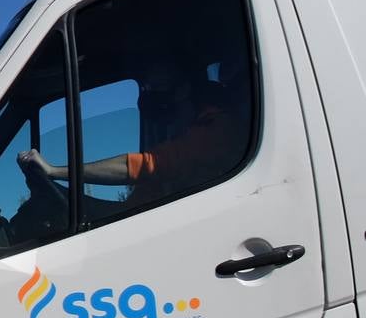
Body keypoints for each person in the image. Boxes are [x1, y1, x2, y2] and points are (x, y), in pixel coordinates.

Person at [16, 58, 249, 208]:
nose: (149, 96)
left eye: (157, 88)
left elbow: (148, 164)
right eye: (147, 87)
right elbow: (127, 210)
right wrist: (57, 195)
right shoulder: (184, 133)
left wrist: (55, 171)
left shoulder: (217, 127)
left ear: (184, 89)